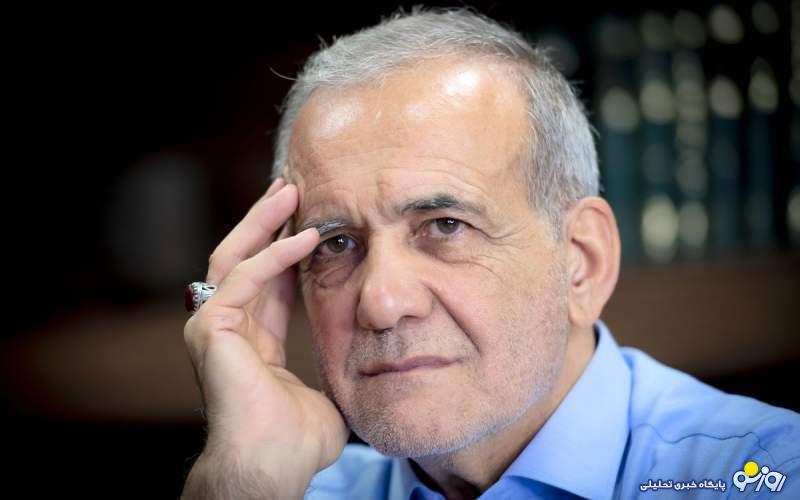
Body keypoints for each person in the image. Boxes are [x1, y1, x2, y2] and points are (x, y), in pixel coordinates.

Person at [180, 8, 799, 499]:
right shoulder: (282, 490)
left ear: (581, 261)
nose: (382, 303)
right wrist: (245, 471)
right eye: (337, 243)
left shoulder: (763, 475)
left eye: (445, 226)